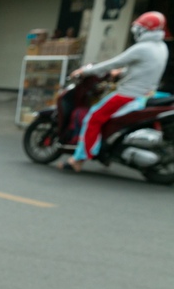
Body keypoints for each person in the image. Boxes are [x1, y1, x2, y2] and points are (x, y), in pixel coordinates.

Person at [59, 11, 169, 173]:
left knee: (93, 117)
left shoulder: (141, 48)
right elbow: (144, 68)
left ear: (144, 31)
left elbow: (111, 63)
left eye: (138, 29)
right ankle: (105, 150)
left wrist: (84, 72)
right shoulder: (162, 47)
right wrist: (122, 73)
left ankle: (78, 159)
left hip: (129, 95)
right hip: (148, 93)